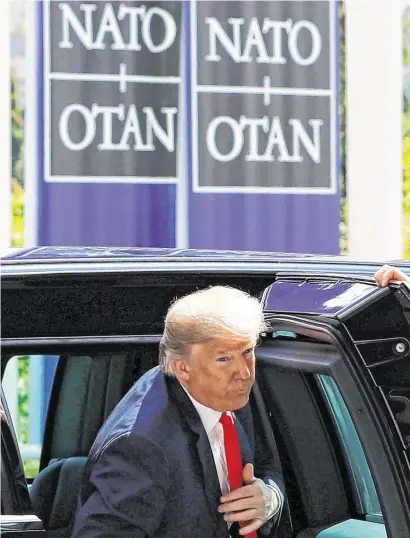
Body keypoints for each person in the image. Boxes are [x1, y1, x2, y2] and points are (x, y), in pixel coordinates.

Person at [71, 286, 284, 538]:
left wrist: (270, 498)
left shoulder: (227, 394)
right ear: (183, 368)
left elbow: (267, 466)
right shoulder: (140, 445)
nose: (245, 373)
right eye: (224, 359)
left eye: (247, 352)